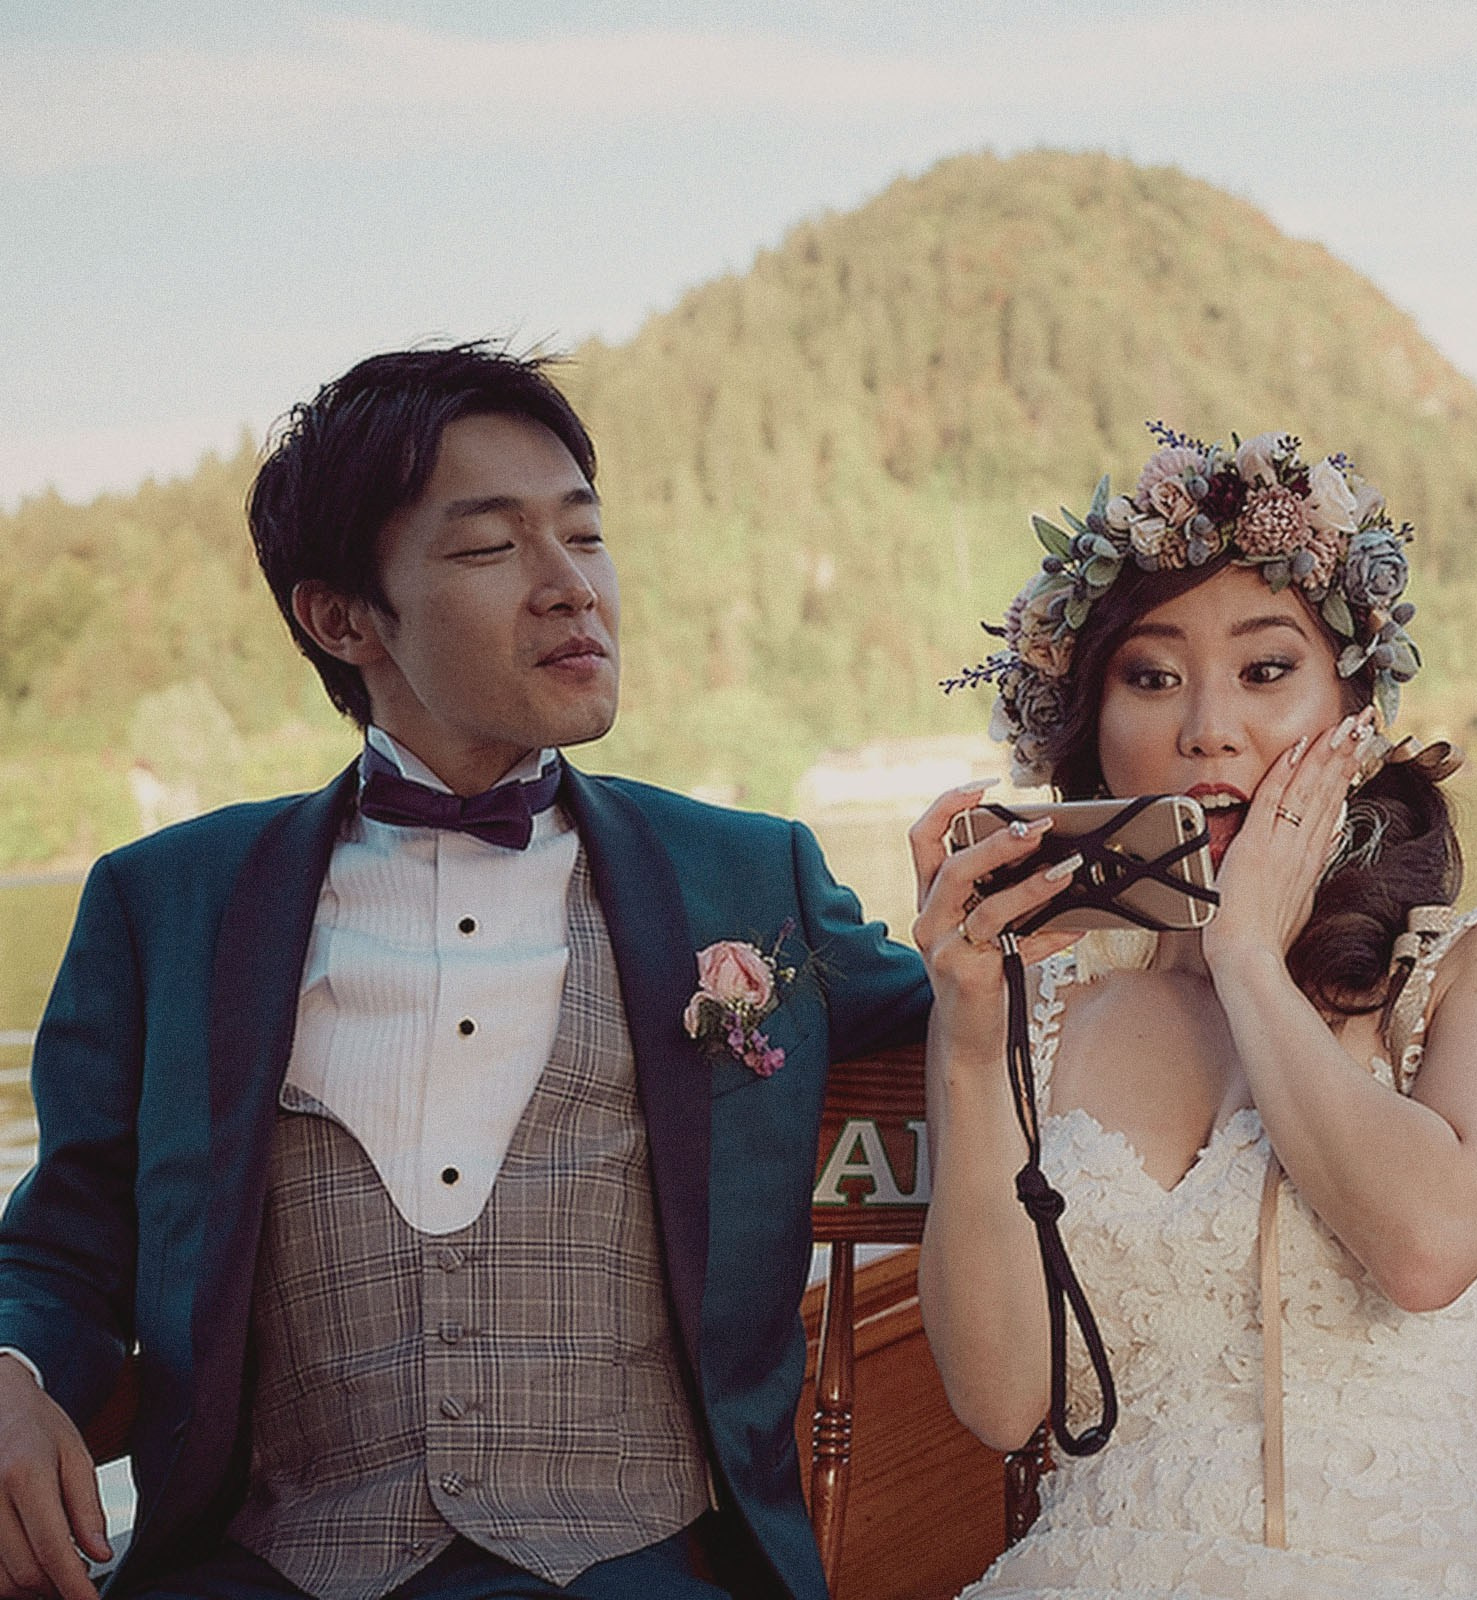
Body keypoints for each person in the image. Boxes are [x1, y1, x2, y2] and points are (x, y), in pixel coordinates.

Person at [0, 345, 931, 1600]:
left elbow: (999, 1004)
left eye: (587, 538)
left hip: (625, 1566)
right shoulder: (167, 904)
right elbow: (65, 1242)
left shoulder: (748, 880)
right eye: (492, 549)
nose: (569, 589)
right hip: (258, 1568)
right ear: (340, 617)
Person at [910, 428, 1477, 1597]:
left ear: (1353, 714)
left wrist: (1246, 952)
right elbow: (1000, 1399)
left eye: (1264, 671)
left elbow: (1425, 1246)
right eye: (1151, 677)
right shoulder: (1043, 1013)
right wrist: (968, 1031)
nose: (1208, 727)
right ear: (1092, 726)